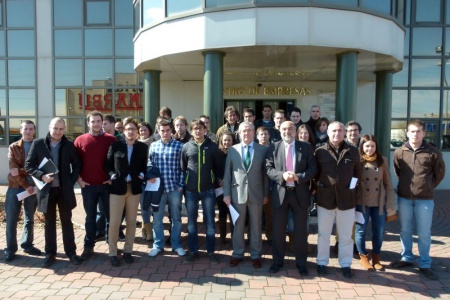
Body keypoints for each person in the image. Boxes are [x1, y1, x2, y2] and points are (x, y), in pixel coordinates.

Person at [391, 120, 445, 280]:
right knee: (405, 230)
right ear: (407, 133)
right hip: (405, 197)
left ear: (423, 133)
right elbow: (398, 171)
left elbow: (439, 174)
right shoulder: (400, 152)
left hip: (425, 199)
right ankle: (407, 257)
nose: (415, 134)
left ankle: (424, 263)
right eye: (412, 131)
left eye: (418, 131)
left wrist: (427, 186)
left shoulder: (433, 152)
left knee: (423, 233)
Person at [25, 117, 82, 268]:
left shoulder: (69, 145)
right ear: (49, 127)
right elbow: (28, 165)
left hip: (64, 191)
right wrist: (41, 176)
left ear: (64, 129)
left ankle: (71, 252)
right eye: (55, 128)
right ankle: (50, 253)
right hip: (46, 192)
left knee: (66, 222)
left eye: (61, 129)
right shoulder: (38, 144)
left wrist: (70, 181)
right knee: (49, 222)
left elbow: (77, 165)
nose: (58, 132)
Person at [265, 121, 317, 275]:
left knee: (300, 232)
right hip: (280, 194)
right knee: (278, 231)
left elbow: (313, 169)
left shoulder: (306, 147)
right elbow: (268, 168)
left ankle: (301, 263)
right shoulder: (273, 147)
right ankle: (277, 262)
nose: (287, 131)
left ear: (295, 130)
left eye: (290, 128)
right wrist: (282, 175)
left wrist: (298, 177)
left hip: (299, 194)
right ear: (280, 130)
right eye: (284, 129)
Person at [314, 121, 361, 278]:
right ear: (328, 133)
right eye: (333, 131)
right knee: (323, 234)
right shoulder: (320, 152)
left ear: (345, 133)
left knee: (346, 236)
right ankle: (322, 262)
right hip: (325, 200)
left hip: (346, 200)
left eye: (340, 131)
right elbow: (315, 174)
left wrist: (352, 189)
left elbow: (358, 174)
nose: (337, 133)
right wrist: (319, 188)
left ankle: (346, 263)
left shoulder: (353, 152)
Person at [222, 122, 269, 269]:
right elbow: (227, 174)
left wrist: (266, 194)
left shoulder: (262, 150)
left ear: (254, 132)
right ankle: (238, 253)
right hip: (237, 194)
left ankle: (256, 255)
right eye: (243, 131)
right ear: (239, 133)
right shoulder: (232, 150)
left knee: (256, 227)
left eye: (249, 130)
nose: (246, 133)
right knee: (238, 226)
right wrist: (226, 194)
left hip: (257, 194)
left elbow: (265, 175)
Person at [74, 111, 117, 261]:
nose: (96, 124)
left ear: (102, 122)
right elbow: (74, 163)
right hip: (88, 187)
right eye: (93, 121)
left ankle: (112, 247)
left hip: (106, 186)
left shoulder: (111, 140)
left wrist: (112, 178)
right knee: (90, 218)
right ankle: (88, 246)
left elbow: (117, 162)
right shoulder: (80, 140)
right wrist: (79, 180)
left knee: (111, 218)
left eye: (99, 121)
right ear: (88, 123)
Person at [105, 118, 148, 266]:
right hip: (117, 189)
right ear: (123, 130)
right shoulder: (115, 146)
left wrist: (142, 175)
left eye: (133, 129)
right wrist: (111, 176)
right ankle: (112, 252)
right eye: (128, 129)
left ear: (137, 132)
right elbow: (108, 165)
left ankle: (128, 251)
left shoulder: (142, 147)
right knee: (115, 222)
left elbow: (144, 166)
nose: (131, 132)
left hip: (134, 189)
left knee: (131, 222)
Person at [181, 119, 222, 264]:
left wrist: (217, 180)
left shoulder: (212, 147)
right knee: (191, 222)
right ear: (191, 131)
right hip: (191, 190)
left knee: (210, 222)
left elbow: (218, 167)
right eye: (195, 129)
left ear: (205, 130)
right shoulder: (186, 147)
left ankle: (211, 251)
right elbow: (183, 167)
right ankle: (193, 251)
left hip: (208, 190)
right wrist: (186, 182)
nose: (197, 131)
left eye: (200, 128)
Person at [356, 134, 395, 271]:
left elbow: (388, 184)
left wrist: (390, 204)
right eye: (367, 146)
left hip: (379, 203)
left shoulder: (382, 161)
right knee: (361, 231)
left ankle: (376, 258)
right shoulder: (358, 161)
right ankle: (363, 257)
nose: (370, 149)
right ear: (362, 147)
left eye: (372, 146)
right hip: (362, 202)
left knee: (378, 231)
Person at [147, 118, 186, 258]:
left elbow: (183, 168)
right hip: (158, 190)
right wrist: (149, 175)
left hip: (174, 188)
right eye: (162, 131)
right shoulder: (153, 146)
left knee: (176, 218)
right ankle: (158, 245)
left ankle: (176, 245)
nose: (165, 133)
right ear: (158, 131)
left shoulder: (179, 146)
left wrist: (181, 186)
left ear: (172, 131)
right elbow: (149, 164)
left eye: (167, 130)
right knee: (157, 218)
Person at [4, 120, 41, 262]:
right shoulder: (14, 147)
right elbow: (13, 172)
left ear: (34, 131)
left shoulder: (39, 146)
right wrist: (26, 185)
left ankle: (27, 244)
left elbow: (39, 168)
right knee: (11, 219)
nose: (28, 131)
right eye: (25, 129)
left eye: (31, 129)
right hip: (16, 186)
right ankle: (10, 249)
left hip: (33, 186)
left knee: (29, 218)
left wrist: (22, 171)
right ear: (20, 130)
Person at [216, 131, 236, 244]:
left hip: (233, 187)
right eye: (224, 140)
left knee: (232, 212)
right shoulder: (217, 154)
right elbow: (214, 169)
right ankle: (222, 236)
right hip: (220, 188)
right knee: (222, 212)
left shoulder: (236, 153)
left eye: (229, 140)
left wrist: (229, 181)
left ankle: (234, 236)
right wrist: (219, 180)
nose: (226, 142)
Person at [138, 121, 155, 241]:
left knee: (154, 206)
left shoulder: (155, 143)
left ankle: (149, 228)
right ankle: (147, 228)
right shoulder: (136, 144)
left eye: (145, 130)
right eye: (141, 130)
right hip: (141, 180)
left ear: (149, 131)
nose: (143, 132)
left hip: (153, 179)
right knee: (144, 206)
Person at [257, 126, 273, 243]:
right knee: (255, 216)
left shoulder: (274, 148)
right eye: (261, 134)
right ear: (257, 136)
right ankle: (254, 238)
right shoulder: (253, 149)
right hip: (256, 186)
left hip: (271, 186)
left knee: (270, 215)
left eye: (266, 134)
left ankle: (270, 236)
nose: (264, 136)